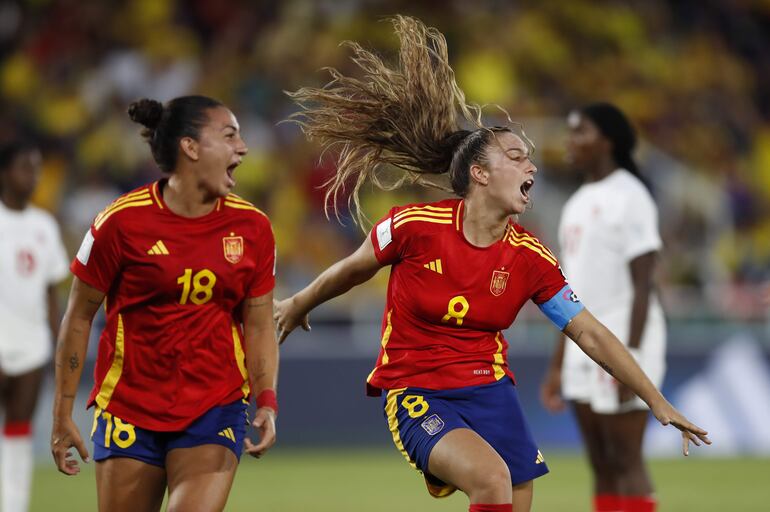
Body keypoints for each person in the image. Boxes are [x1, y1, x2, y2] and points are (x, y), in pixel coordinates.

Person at [275, 16, 710, 512]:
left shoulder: (530, 256)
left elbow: (588, 331)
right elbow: (352, 269)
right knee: (492, 480)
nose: (533, 166)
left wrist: (656, 401)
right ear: (480, 174)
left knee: (516, 491)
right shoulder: (414, 225)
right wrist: (299, 302)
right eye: (517, 156)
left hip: (490, 390)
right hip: (418, 390)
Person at [50, 95, 279, 512]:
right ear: (190, 147)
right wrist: (62, 412)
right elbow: (78, 317)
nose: (242, 148)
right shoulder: (118, 223)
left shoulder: (253, 227)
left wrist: (267, 400)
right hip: (129, 408)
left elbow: (260, 323)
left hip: (214, 405)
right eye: (229, 136)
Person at [540, 103, 668, 512]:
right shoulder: (576, 202)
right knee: (601, 462)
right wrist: (559, 364)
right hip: (584, 340)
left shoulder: (630, 196)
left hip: (624, 336)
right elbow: (568, 294)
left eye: (580, 132)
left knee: (626, 457)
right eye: (569, 131)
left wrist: (630, 359)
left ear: (608, 140)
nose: (569, 141)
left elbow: (644, 284)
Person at [0, 140, 69, 512]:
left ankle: (13, 506)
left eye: (37, 168)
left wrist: (60, 345)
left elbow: (51, 293)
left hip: (31, 346)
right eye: (25, 167)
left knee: (18, 433)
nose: (33, 176)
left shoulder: (44, 225)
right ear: (5, 173)